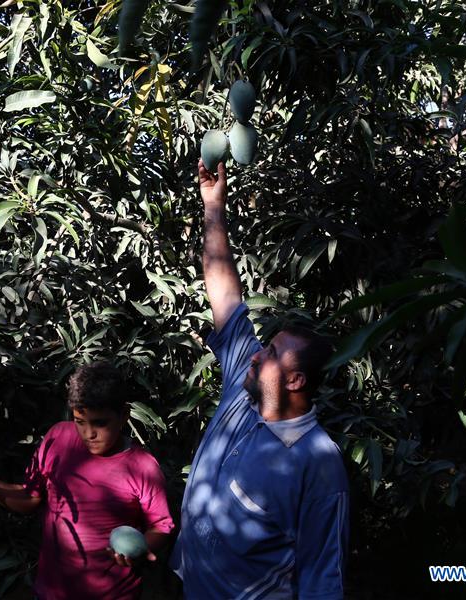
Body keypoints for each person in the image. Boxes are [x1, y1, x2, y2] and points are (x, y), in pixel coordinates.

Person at [169, 159, 350, 599]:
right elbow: (225, 292)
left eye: (270, 354)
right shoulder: (240, 386)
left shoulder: (317, 462)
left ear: (294, 381)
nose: (256, 356)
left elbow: (322, 573)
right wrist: (213, 206)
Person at [0, 360, 175, 600]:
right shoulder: (58, 438)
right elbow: (29, 498)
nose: (89, 434)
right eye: (80, 422)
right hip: (52, 592)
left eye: (100, 423)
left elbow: (162, 526)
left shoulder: (142, 467)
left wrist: (141, 548)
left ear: (124, 415)